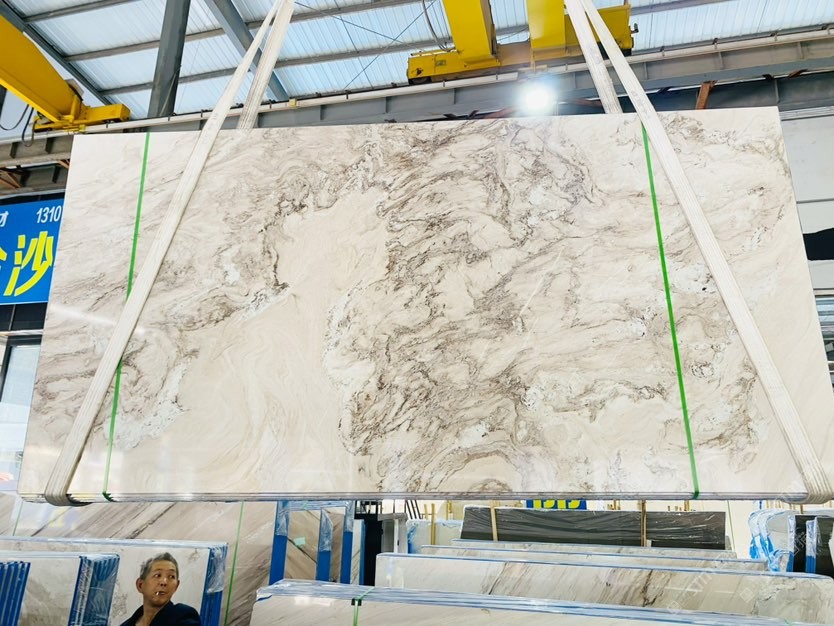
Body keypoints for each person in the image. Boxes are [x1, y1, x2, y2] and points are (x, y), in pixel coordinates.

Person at [119, 552, 200, 626]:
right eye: (157, 575)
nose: (164, 582)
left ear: (176, 586)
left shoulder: (184, 615)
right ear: (140, 585)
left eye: (171, 576)